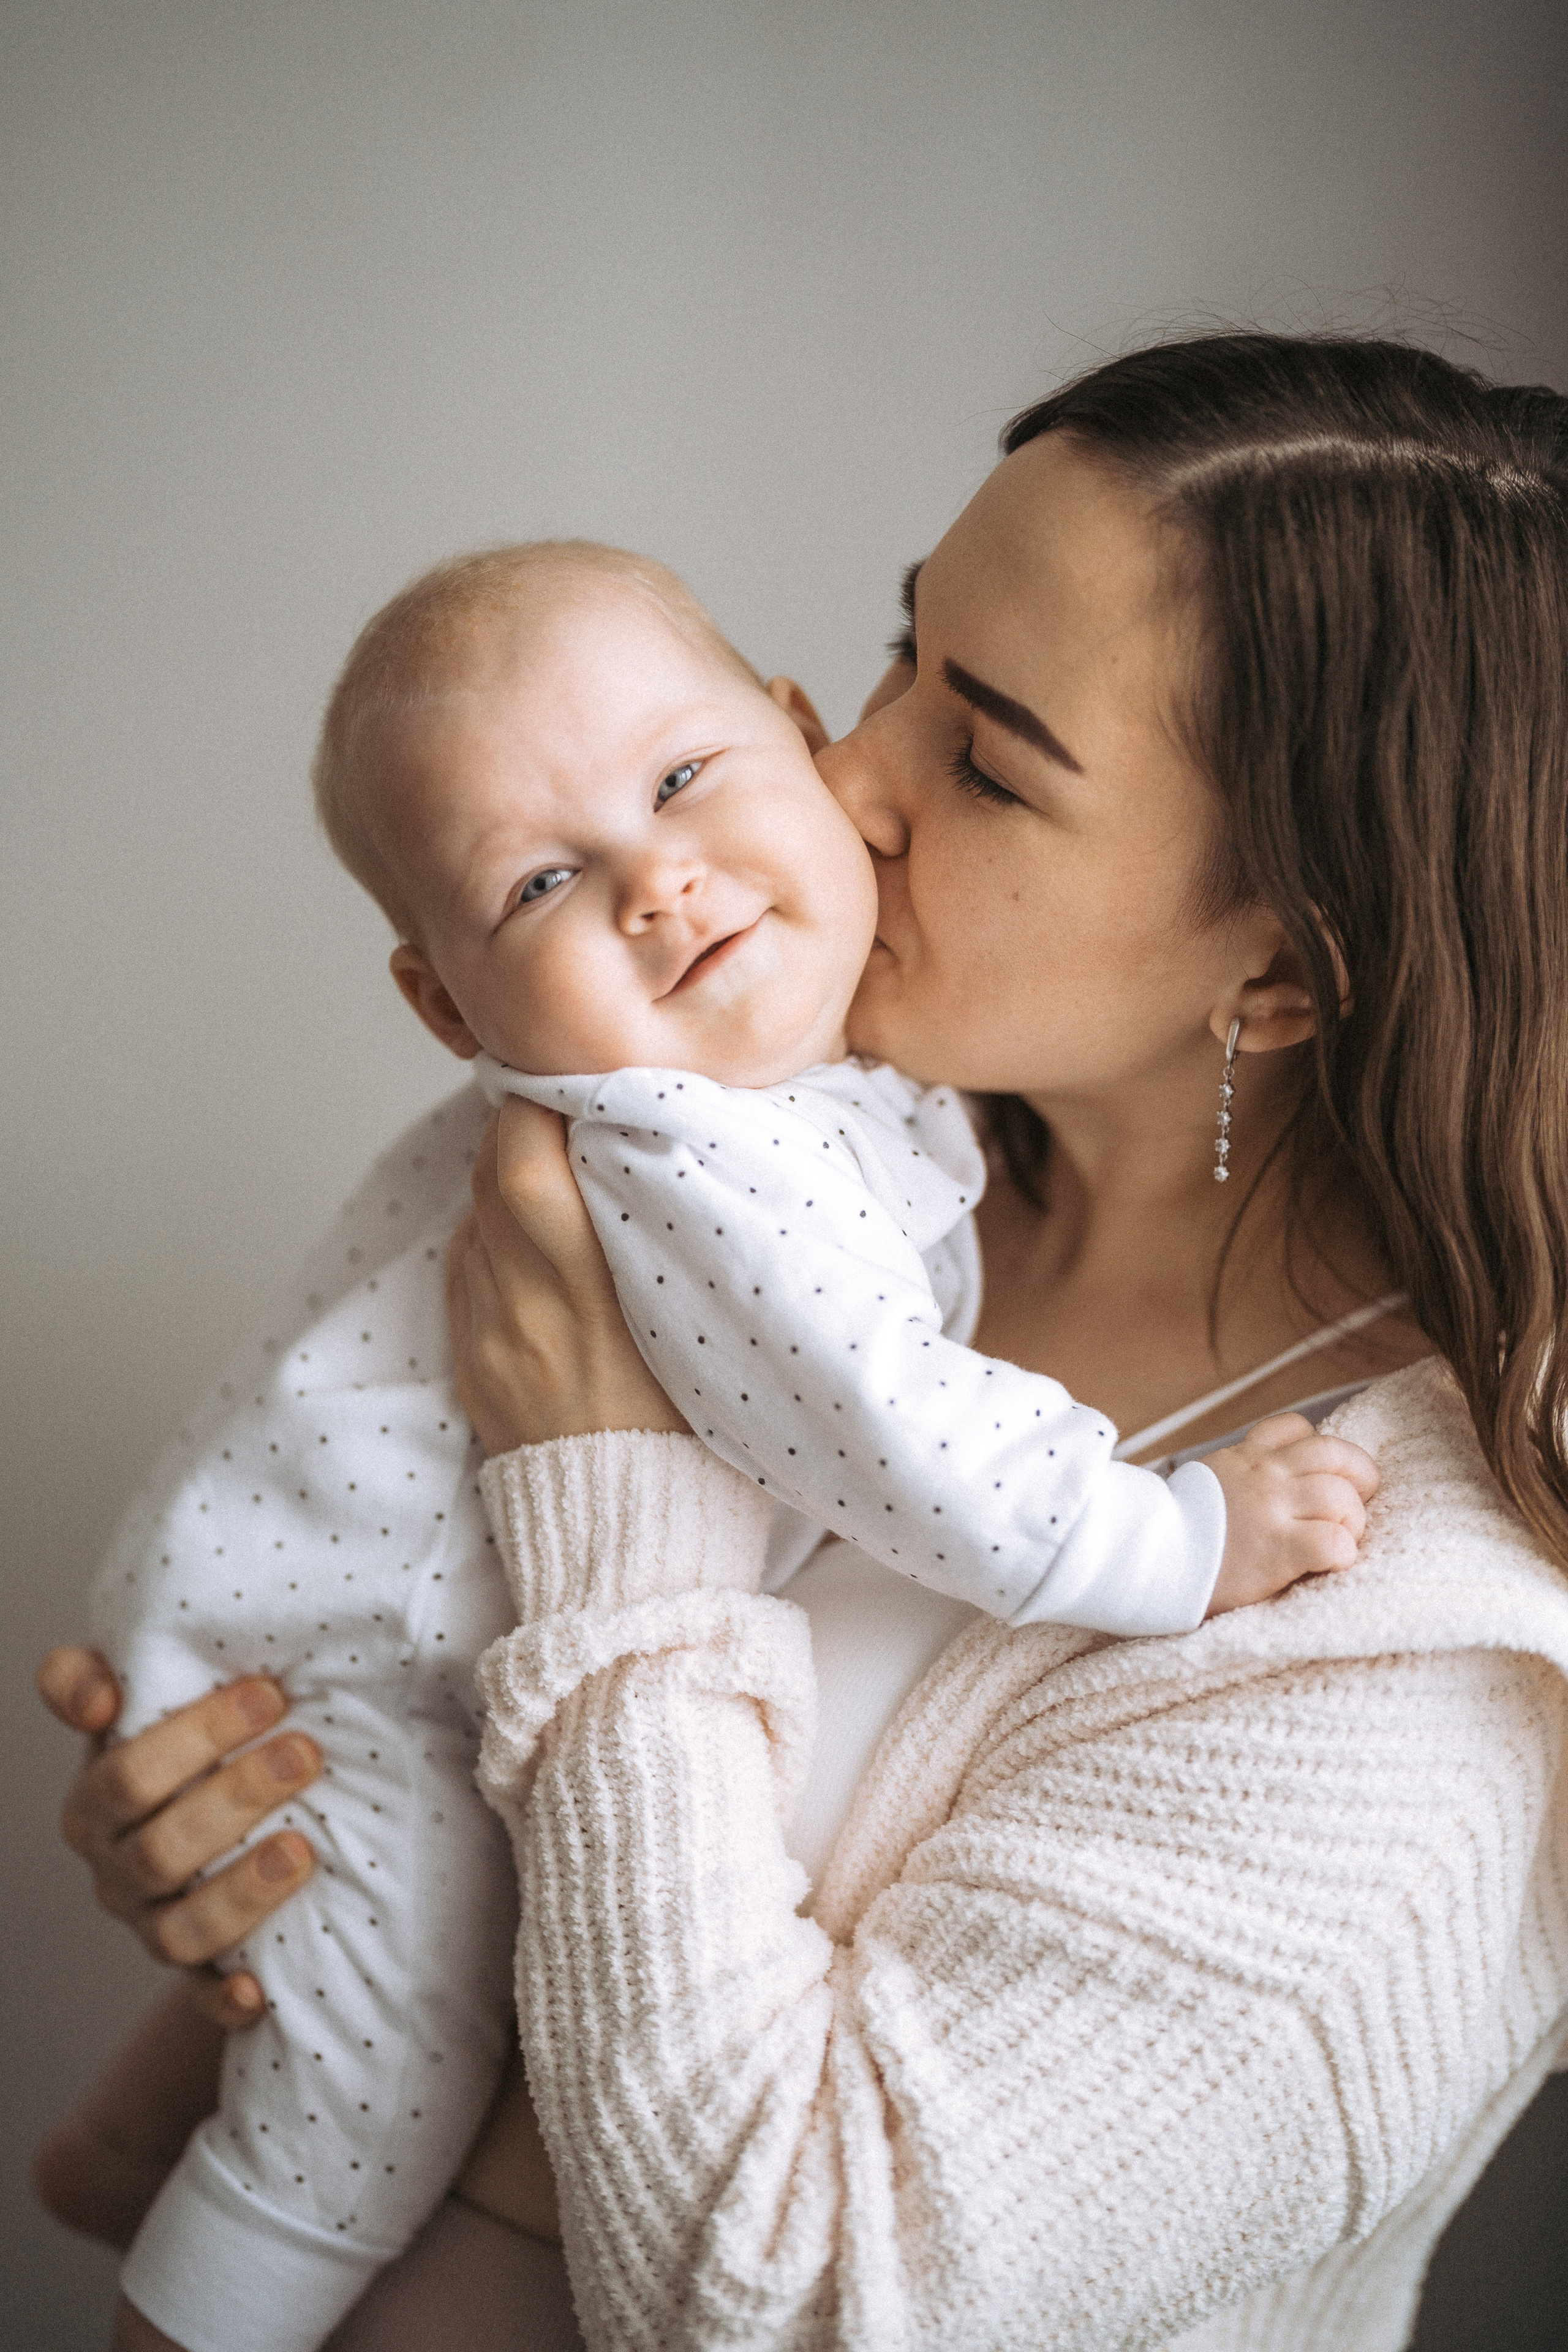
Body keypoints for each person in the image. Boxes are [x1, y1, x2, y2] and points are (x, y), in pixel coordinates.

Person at [42, 330, 1568, 2349]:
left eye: (989, 756)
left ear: (1279, 972)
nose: (838, 776)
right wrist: (261, 1838)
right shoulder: (833, 1150)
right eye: (897, 655)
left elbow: (805, 2297)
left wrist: (596, 1483)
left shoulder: (1420, 1665)